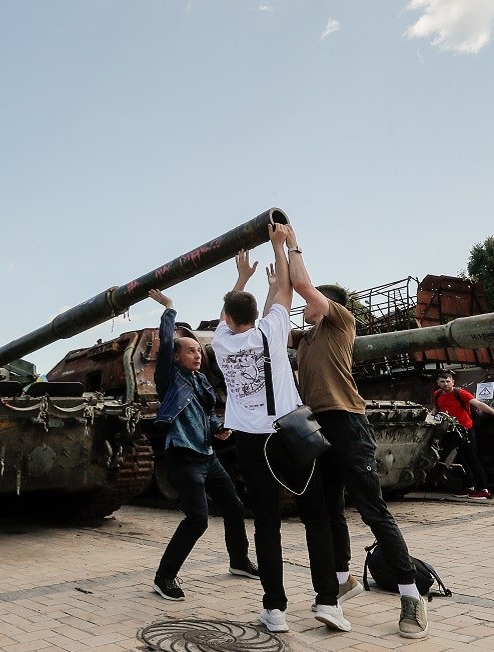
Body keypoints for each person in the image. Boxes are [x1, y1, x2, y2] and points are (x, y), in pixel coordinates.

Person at [285, 225, 429, 639]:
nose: (303, 307)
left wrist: (292, 244)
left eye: (311, 301)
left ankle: (410, 595)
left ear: (327, 304)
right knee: (331, 508)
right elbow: (280, 304)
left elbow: (301, 284)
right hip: (319, 426)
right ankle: (344, 579)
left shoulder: (340, 323)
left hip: (348, 422)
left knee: (372, 509)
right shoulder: (307, 339)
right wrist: (276, 266)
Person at [211, 224, 350, 633]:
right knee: (316, 517)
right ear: (258, 316)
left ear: (227, 318)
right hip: (290, 436)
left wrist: (241, 279)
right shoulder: (271, 332)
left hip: (251, 442)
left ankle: (275, 610)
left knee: (267, 524)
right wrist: (278, 248)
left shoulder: (219, 342)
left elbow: (234, 311)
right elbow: (286, 294)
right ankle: (327, 602)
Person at [147, 288, 259, 602]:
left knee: (234, 506)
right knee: (198, 517)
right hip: (183, 455)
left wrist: (217, 429)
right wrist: (169, 308)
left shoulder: (201, 381)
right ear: (176, 356)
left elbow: (207, 412)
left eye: (199, 350)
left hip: (207, 455)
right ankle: (164, 577)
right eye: (190, 350)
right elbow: (167, 342)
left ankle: (238, 561)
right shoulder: (169, 379)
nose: (197, 354)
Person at [432, 370, 494, 500]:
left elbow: (478, 403)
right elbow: (436, 408)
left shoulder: (460, 393)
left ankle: (483, 489)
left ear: (453, 382)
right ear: (438, 383)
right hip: (451, 431)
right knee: (458, 459)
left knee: (472, 459)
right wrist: (430, 416)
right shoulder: (437, 394)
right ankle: (469, 486)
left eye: (448, 381)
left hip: (465, 430)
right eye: (442, 382)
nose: (445, 384)